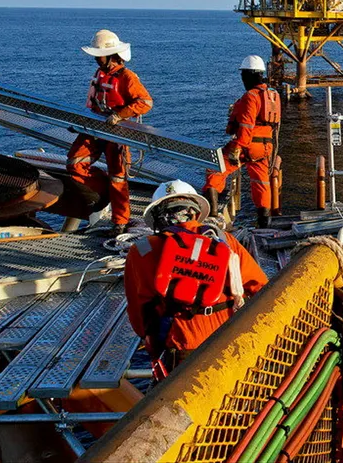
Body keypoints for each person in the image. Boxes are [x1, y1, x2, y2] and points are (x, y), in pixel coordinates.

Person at [124, 180, 268, 379]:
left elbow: (139, 311)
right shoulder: (225, 241)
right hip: (229, 338)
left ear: (158, 217)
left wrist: (152, 345)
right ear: (195, 211)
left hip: (184, 347)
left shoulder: (142, 250)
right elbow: (260, 287)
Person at [66, 30, 153, 237]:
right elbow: (93, 101)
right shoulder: (100, 74)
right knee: (74, 163)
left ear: (111, 55)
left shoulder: (127, 77)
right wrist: (81, 123)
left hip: (117, 133)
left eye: (100, 55)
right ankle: (103, 190)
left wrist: (120, 115)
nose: (96, 59)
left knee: (118, 177)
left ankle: (120, 222)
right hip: (95, 128)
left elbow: (145, 102)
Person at [203, 55, 281, 229]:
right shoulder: (273, 95)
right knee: (261, 182)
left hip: (248, 145)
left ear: (248, 75)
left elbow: (246, 127)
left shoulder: (250, 96)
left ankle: (212, 216)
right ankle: (264, 224)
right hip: (265, 147)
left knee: (214, 169)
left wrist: (236, 148)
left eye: (243, 75)